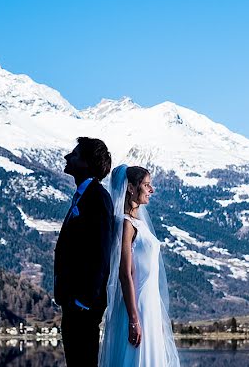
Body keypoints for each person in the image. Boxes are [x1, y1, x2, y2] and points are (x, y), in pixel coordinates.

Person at [99, 165, 180, 367]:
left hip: (150, 306)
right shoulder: (126, 224)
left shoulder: (139, 223)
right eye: (146, 185)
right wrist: (134, 318)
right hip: (138, 307)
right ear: (131, 188)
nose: (151, 190)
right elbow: (125, 274)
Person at [54, 137, 113, 367]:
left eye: (75, 154)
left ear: (87, 163)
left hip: (83, 306)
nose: (67, 157)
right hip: (73, 302)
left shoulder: (98, 198)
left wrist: (84, 301)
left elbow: (101, 252)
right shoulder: (84, 196)